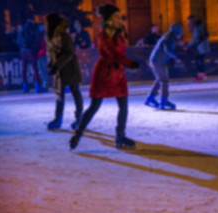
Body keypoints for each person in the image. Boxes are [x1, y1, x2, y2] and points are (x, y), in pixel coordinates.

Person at [70, 4, 139, 150]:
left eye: (119, 16)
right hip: (105, 73)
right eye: (116, 16)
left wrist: (122, 32)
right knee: (94, 106)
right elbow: (112, 53)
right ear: (109, 18)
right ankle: (77, 135)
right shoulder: (104, 34)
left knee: (124, 106)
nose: (119, 19)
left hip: (118, 73)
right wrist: (130, 63)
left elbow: (122, 48)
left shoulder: (119, 31)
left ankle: (120, 137)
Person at [46, 13, 83, 130]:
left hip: (70, 68)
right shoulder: (54, 37)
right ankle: (58, 119)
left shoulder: (64, 36)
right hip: (60, 70)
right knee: (59, 94)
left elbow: (69, 53)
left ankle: (79, 119)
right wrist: (52, 64)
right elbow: (55, 55)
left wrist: (56, 65)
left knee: (75, 91)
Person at [144, 23, 184, 110]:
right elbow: (167, 49)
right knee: (164, 80)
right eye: (180, 34)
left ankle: (150, 98)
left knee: (159, 79)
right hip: (157, 61)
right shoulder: (169, 38)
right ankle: (164, 100)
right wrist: (177, 56)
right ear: (177, 33)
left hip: (156, 60)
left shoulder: (169, 37)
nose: (180, 37)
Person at [16, 14, 46, 93]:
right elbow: (36, 39)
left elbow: (17, 41)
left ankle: (25, 86)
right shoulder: (32, 28)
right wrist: (36, 49)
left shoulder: (21, 30)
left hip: (22, 51)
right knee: (35, 68)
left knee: (24, 69)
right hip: (30, 51)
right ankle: (37, 86)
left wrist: (21, 48)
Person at [187, 15, 210, 81]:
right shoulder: (199, 25)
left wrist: (188, 45)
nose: (187, 23)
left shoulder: (196, 26)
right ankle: (201, 75)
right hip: (202, 45)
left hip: (201, 46)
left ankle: (201, 75)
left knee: (199, 60)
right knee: (199, 60)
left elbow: (196, 37)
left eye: (188, 21)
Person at [37, 24, 48, 88]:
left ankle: (57, 82)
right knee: (43, 69)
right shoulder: (39, 37)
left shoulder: (46, 36)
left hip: (47, 54)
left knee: (51, 68)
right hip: (42, 54)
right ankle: (45, 81)